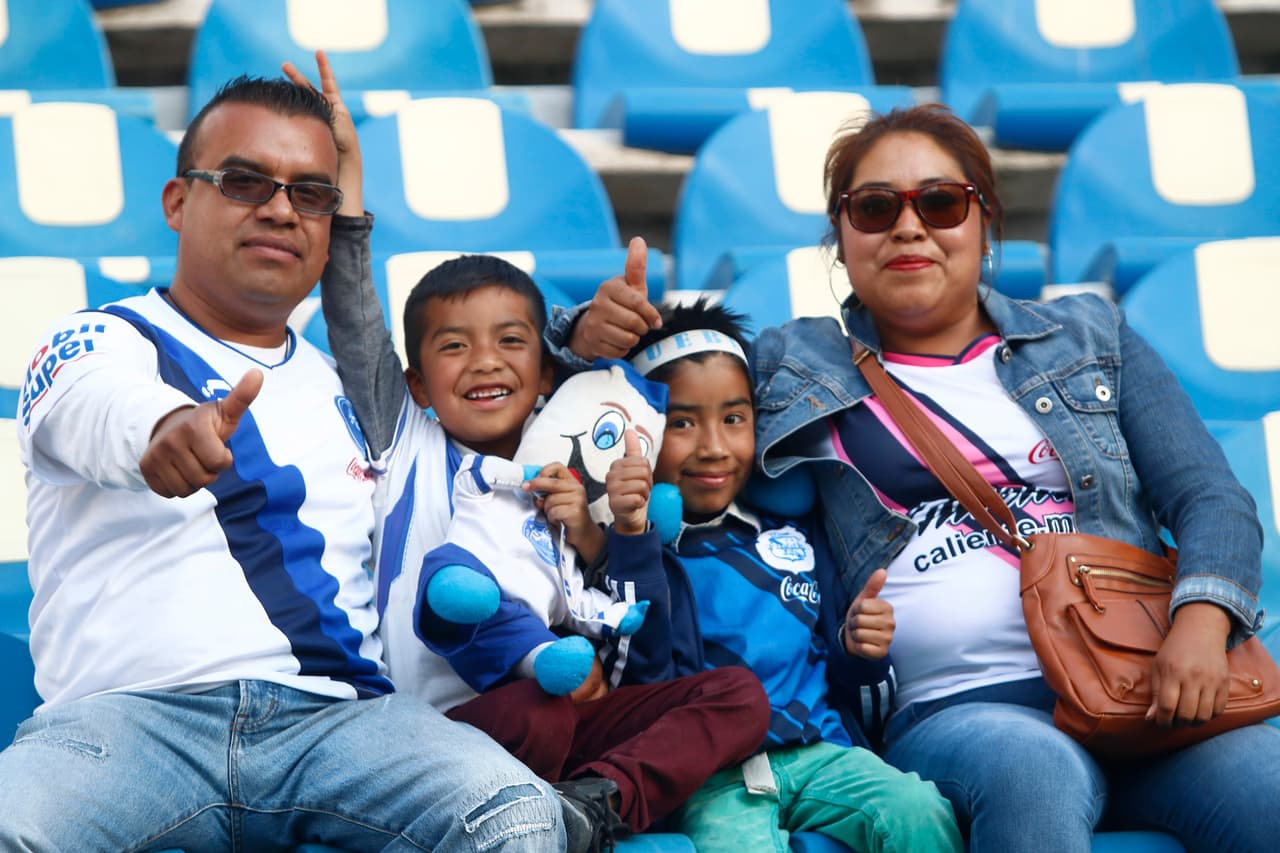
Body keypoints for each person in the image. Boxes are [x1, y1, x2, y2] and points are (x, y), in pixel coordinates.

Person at [558, 104, 1280, 852]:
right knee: (1034, 774)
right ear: (840, 238)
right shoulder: (789, 365)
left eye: (940, 203)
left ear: (985, 221)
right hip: (962, 710)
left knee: (1270, 787)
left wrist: (1202, 621)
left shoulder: (1092, 336)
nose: (908, 227)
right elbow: (628, 388)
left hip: (1143, 686)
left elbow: (1211, 496)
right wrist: (583, 340)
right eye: (875, 208)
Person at [0, 61, 568, 851]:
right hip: (128, 724)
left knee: (516, 813)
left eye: (310, 193)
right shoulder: (100, 338)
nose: (279, 208)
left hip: (339, 724)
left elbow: (513, 391)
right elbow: (95, 404)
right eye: (244, 182)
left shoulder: (351, 390)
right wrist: (165, 429)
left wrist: (587, 336)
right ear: (177, 201)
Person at [303, 56, 771, 850]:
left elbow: (641, 655)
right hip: (432, 735)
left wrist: (613, 537)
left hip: (566, 724)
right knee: (538, 709)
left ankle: (594, 807)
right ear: (417, 383)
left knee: (736, 695)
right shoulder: (404, 432)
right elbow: (353, 314)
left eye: (511, 342)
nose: (485, 362)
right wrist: (345, 185)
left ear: (548, 370)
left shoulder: (577, 457)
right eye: (455, 347)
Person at [600, 298, 964, 853]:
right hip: (712, 777)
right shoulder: (632, 555)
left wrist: (860, 652)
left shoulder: (796, 532)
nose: (713, 447)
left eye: (733, 419)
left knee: (918, 810)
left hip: (823, 754)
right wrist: (634, 541)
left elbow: (856, 693)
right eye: (682, 423)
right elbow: (641, 684)